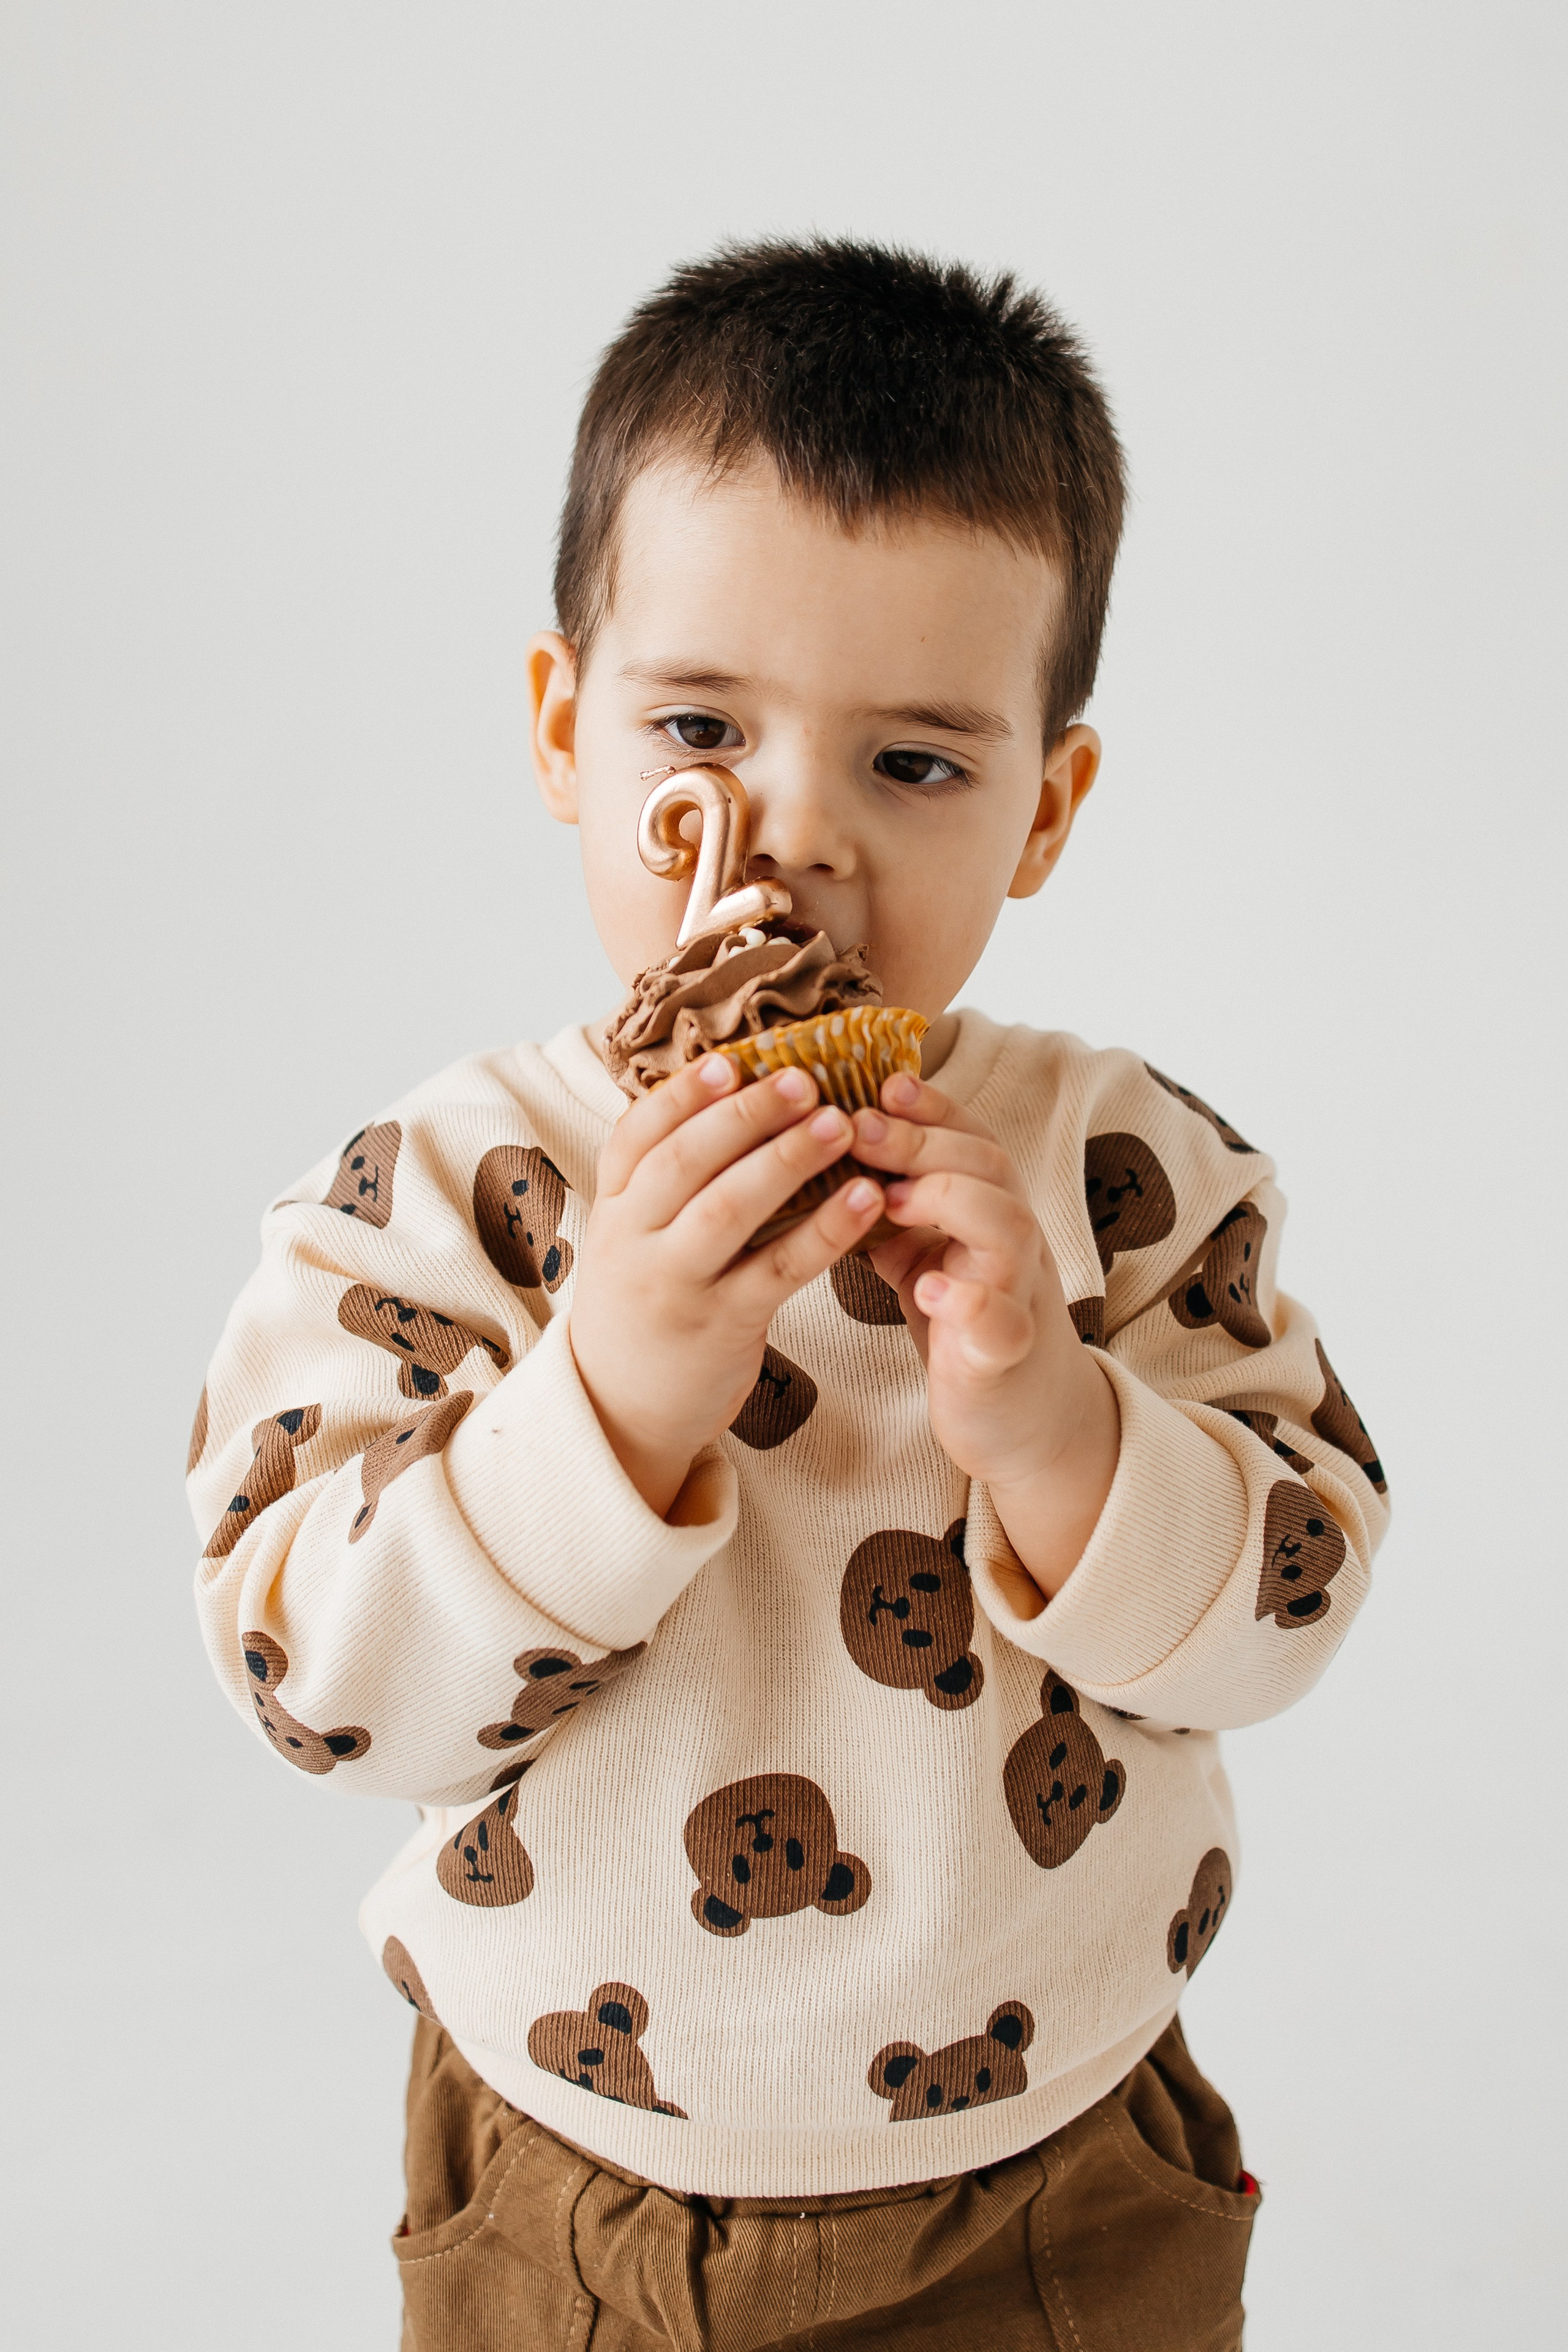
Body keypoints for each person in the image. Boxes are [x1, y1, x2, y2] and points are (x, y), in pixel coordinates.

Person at [188, 240, 1389, 2350]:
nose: (794, 840)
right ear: (568, 729)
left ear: (1048, 806)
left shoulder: (1122, 1176)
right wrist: (613, 1398)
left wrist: (1055, 1428)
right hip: (566, 2172)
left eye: (915, 765)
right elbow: (313, 1677)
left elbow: (1290, 1602)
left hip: (1052, 2177)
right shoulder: (449, 1191)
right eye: (700, 726)